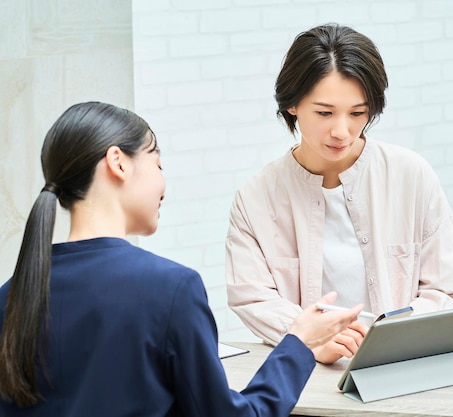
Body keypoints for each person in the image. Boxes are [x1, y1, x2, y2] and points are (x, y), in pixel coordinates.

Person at [0, 101, 362, 417]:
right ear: (118, 163)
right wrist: (299, 343)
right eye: (157, 163)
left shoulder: (10, 297)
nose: (163, 183)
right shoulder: (169, 289)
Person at [225, 23, 453, 365]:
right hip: (310, 373)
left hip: (404, 366)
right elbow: (252, 298)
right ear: (293, 105)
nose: (341, 131)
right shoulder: (256, 197)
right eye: (324, 112)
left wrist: (387, 336)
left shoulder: (411, 175)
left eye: (358, 113)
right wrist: (309, 340)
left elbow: (448, 290)